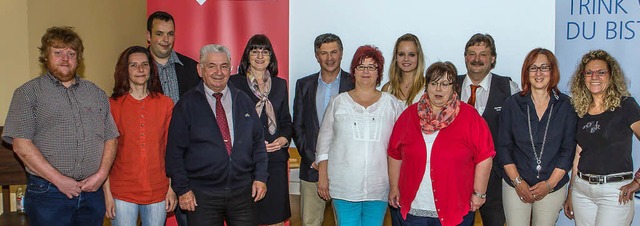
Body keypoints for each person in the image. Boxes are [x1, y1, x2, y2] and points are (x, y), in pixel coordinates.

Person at [1, 26, 119, 225]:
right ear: (46, 56)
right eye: (58, 52)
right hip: (49, 193)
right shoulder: (28, 93)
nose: (65, 59)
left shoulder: (96, 93)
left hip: (92, 192)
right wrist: (59, 180)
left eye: (71, 54)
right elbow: (21, 145)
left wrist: (101, 175)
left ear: (78, 59)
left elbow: (111, 137)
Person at [165, 44, 268, 225]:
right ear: (200, 69)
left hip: (242, 192)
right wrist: (182, 190)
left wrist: (260, 177)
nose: (218, 72)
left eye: (224, 66)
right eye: (212, 66)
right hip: (202, 196)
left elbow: (258, 142)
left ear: (230, 68)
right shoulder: (186, 105)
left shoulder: (243, 100)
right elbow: (174, 153)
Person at [388, 61, 494, 226]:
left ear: (454, 88)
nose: (438, 89)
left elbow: (485, 156)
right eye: (434, 83)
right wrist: (394, 188)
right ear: (427, 86)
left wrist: (479, 193)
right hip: (414, 209)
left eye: (445, 84)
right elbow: (394, 153)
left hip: (455, 208)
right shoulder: (409, 115)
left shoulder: (470, 117)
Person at [316, 45, 405, 226]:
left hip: (379, 186)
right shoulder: (338, 102)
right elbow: (324, 144)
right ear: (353, 71)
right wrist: (323, 177)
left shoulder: (392, 104)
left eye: (371, 67)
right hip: (344, 186)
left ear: (378, 73)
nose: (366, 71)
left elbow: (401, 147)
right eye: (361, 66)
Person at [496, 48, 576, 226]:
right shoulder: (512, 104)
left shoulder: (566, 105)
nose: (538, 73)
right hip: (515, 183)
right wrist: (517, 182)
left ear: (553, 71)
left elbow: (568, 150)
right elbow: (503, 147)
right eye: (533, 68)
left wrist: (549, 184)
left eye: (544, 67)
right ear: (526, 72)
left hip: (553, 184)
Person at [563, 50, 640, 226]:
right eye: (589, 72)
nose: (594, 76)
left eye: (601, 72)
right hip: (582, 191)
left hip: (615, 191)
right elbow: (579, 154)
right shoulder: (581, 109)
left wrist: (638, 181)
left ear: (611, 75)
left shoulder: (626, 105)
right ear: (582, 77)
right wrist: (571, 191)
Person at [104, 46, 177, 226]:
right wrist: (106, 195)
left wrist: (171, 188)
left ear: (151, 69)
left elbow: (171, 149)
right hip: (121, 191)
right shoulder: (112, 105)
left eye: (145, 64)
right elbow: (104, 154)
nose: (140, 69)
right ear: (125, 70)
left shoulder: (165, 104)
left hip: (158, 190)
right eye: (134, 65)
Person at [229, 34, 293, 226]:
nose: (260, 56)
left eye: (265, 51)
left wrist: (283, 139)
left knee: (276, 219)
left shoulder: (280, 84)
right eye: (255, 51)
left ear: (271, 56)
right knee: (247, 218)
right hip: (247, 162)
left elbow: (286, 122)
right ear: (247, 55)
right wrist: (253, 144)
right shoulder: (234, 84)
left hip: (275, 162)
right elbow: (232, 123)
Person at [456, 33, 519, 226]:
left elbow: (517, 135)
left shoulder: (508, 88)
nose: (476, 59)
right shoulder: (449, 85)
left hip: (496, 179)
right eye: (472, 54)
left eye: (483, 54)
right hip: (456, 177)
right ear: (465, 57)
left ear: (493, 59)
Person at [292, 33, 355, 226]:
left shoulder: (354, 83)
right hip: (312, 170)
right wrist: (314, 160)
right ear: (316, 56)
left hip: (344, 170)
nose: (329, 58)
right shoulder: (304, 85)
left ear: (342, 53)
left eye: (334, 52)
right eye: (324, 53)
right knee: (310, 222)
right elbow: (298, 126)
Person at [146, 11, 200, 104]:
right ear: (148, 36)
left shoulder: (192, 68)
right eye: (159, 34)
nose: (166, 39)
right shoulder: (136, 69)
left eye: (170, 34)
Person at [382, 33, 427, 106]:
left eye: (411, 55)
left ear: (419, 57)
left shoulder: (428, 88)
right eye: (401, 54)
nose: (406, 59)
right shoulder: (387, 89)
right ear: (396, 57)